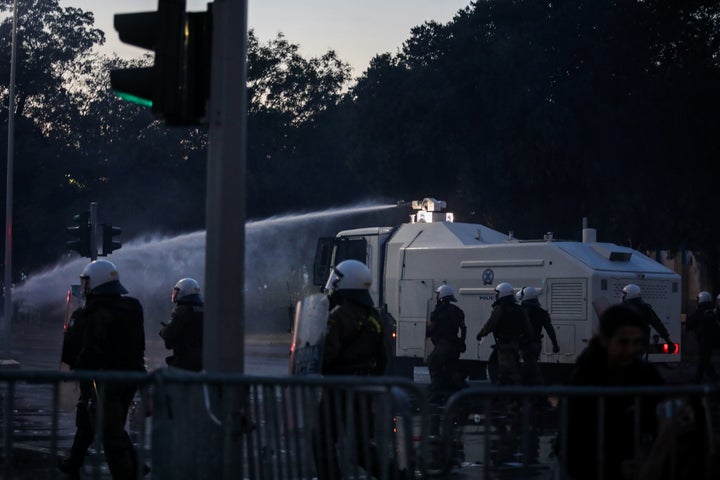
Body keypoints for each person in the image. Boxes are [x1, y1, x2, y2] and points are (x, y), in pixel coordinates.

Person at [58, 260, 146, 480]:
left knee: (110, 433)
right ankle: (73, 463)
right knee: (89, 423)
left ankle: (129, 473)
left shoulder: (94, 313)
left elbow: (87, 350)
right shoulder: (132, 308)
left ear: (96, 282)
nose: (85, 287)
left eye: (86, 282)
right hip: (129, 378)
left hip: (102, 380)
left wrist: (80, 368)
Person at [562, 303, 664, 480]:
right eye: (623, 342)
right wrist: (612, 466)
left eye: (637, 342)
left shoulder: (646, 373)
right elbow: (574, 442)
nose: (631, 350)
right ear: (605, 340)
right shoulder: (585, 376)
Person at [313, 259, 389, 480]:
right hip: (364, 390)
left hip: (337, 389)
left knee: (322, 441)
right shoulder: (374, 316)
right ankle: (396, 475)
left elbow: (328, 354)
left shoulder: (338, 316)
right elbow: (383, 358)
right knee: (361, 448)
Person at [476, 282, 533, 386]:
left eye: (497, 293)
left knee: (503, 370)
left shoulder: (500, 309)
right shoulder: (520, 309)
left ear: (502, 294)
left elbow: (490, 324)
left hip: (504, 345)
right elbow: (528, 328)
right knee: (511, 367)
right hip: (516, 344)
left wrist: (481, 334)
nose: (496, 296)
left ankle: (503, 392)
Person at [517, 286, 560, 386]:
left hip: (525, 345)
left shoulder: (521, 312)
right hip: (536, 345)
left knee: (529, 369)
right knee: (531, 366)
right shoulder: (542, 313)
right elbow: (550, 329)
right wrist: (555, 344)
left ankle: (527, 391)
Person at [159, 277, 204, 371]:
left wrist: (163, 331)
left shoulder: (182, 310)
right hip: (203, 361)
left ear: (183, 292)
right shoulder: (205, 309)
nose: (174, 294)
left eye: (176, 291)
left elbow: (169, 334)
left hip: (184, 363)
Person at [621, 284, 677, 356]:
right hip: (641, 345)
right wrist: (668, 341)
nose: (622, 296)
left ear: (629, 295)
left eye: (624, 294)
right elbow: (657, 324)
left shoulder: (623, 309)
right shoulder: (645, 308)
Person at [686, 291, 720, 383]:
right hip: (712, 339)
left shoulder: (700, 311)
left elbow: (690, 323)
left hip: (703, 340)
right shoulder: (713, 310)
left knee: (704, 361)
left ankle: (715, 378)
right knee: (703, 360)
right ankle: (698, 379)